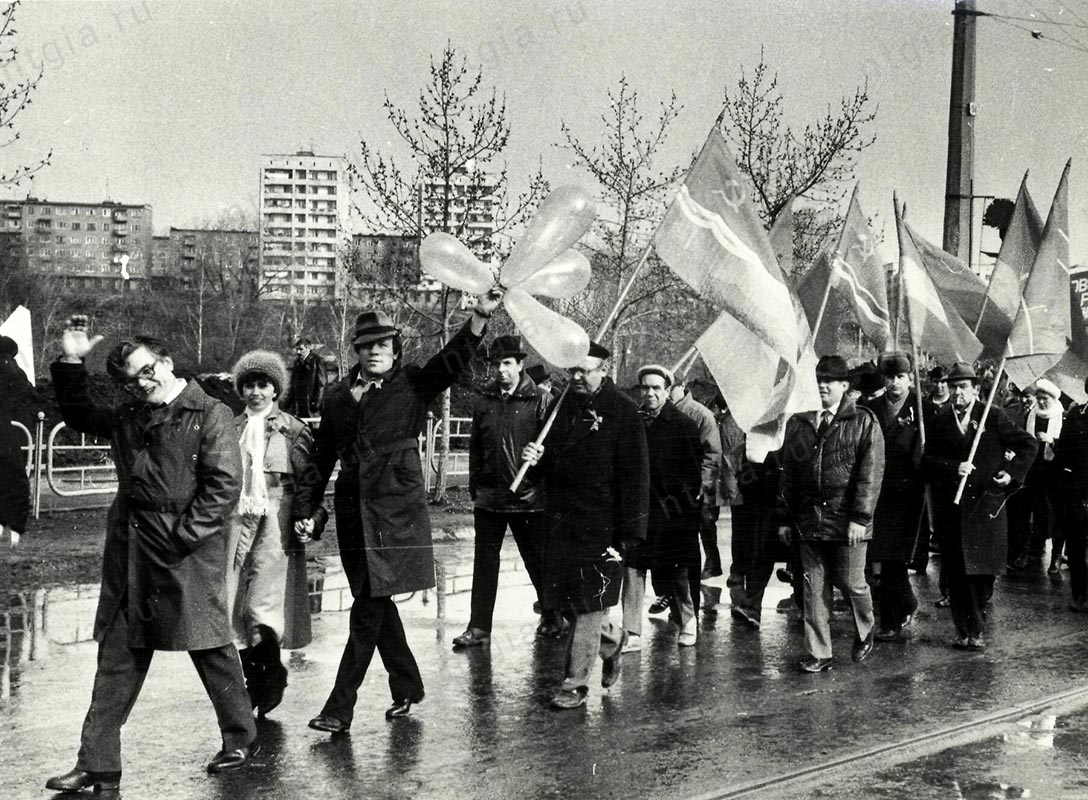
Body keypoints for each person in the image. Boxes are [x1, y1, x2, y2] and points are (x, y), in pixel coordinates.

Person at [46, 317, 257, 793]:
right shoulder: (129, 413)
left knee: (208, 645)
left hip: (186, 547)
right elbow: (80, 414)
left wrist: (183, 537)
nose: (139, 385)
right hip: (131, 546)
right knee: (118, 653)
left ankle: (242, 737)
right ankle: (97, 763)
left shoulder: (210, 412)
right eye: (128, 380)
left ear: (165, 363)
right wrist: (72, 361)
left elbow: (223, 486)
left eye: (146, 372)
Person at [296, 295, 499, 734]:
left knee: (367, 606)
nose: (375, 351)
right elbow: (321, 457)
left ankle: (339, 707)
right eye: (367, 345)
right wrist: (308, 509)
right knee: (376, 599)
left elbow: (450, 361)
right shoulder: (335, 397)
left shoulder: (412, 383)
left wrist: (478, 318)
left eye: (383, 344)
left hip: (395, 508)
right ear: (356, 350)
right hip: (353, 508)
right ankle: (407, 685)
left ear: (395, 348)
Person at [521, 341, 649, 710]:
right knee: (565, 603)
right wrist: (537, 458)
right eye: (573, 370)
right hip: (561, 521)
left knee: (590, 603)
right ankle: (614, 642)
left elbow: (637, 476)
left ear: (604, 370)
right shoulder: (562, 406)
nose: (577, 377)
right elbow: (550, 464)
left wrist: (630, 534)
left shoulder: (623, 412)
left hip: (602, 525)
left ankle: (574, 683)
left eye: (586, 371)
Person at [777, 355, 884, 673]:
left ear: (844, 386)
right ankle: (819, 652)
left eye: (830, 381)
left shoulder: (864, 421)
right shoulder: (799, 422)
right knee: (813, 589)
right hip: (809, 520)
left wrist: (860, 518)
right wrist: (783, 517)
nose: (822, 386)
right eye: (818, 380)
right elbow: (789, 475)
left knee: (852, 583)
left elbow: (870, 474)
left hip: (848, 520)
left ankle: (866, 627)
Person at [225, 349, 317, 717]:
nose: (256, 392)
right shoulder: (229, 429)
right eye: (249, 384)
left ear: (275, 390)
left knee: (263, 602)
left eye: (263, 384)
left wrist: (307, 518)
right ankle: (254, 681)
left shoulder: (293, 430)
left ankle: (270, 678)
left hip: (276, 521)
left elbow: (310, 482)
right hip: (235, 521)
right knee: (233, 603)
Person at [453, 335, 558, 648]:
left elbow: (555, 448)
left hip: (528, 497)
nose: (501, 370)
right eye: (496, 364)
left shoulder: (540, 399)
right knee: (484, 564)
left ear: (520, 365)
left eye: (507, 363)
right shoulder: (484, 400)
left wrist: (542, 460)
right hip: (489, 497)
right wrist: (474, 483)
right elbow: (475, 447)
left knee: (536, 560)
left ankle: (552, 615)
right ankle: (478, 627)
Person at [923, 362, 1036, 650]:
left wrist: (1011, 473)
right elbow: (926, 461)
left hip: (986, 506)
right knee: (959, 573)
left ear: (975, 389)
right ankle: (968, 631)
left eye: (963, 387)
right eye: (953, 387)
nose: (957, 393)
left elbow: (1028, 445)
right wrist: (953, 468)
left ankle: (976, 622)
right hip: (952, 508)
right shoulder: (938, 421)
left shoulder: (993, 416)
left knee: (983, 573)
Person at [621, 365, 702, 651]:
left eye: (657, 388)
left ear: (668, 391)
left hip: (672, 512)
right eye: (645, 388)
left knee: (676, 570)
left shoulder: (684, 426)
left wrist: (683, 513)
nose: (650, 393)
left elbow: (693, 479)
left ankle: (688, 621)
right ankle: (631, 631)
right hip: (639, 511)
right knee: (632, 568)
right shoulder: (632, 424)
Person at [862, 351, 925, 641]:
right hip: (879, 490)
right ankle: (898, 611)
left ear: (910, 379)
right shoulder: (871, 407)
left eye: (900, 377)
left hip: (910, 492)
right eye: (890, 377)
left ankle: (895, 614)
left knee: (894, 557)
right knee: (883, 556)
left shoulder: (921, 408)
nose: (894, 383)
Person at [1008, 379, 1064, 574]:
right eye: (1039, 398)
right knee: (1027, 510)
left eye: (1045, 399)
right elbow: (1023, 439)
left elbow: (1070, 447)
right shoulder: (1032, 415)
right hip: (1033, 469)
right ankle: (1026, 551)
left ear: (1053, 398)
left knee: (1052, 512)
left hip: (1054, 472)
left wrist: (1053, 441)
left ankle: (1056, 556)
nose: (1041, 402)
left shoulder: (1061, 416)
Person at [1053, 378, 1088, 611]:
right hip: (1077, 491)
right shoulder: (1076, 415)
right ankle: (1081, 594)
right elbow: (1064, 452)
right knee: (1076, 546)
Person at [0, 335, 35, 547]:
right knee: (13, 473)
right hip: (8, 427)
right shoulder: (12, 367)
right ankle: (13, 525)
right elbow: (27, 392)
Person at [286, 337, 327, 419]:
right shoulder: (297, 363)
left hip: (312, 407)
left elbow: (321, 384)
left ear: (308, 348)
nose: (298, 352)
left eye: (301, 349)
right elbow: (293, 385)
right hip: (298, 407)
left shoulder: (317, 361)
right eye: (297, 349)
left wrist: (316, 404)